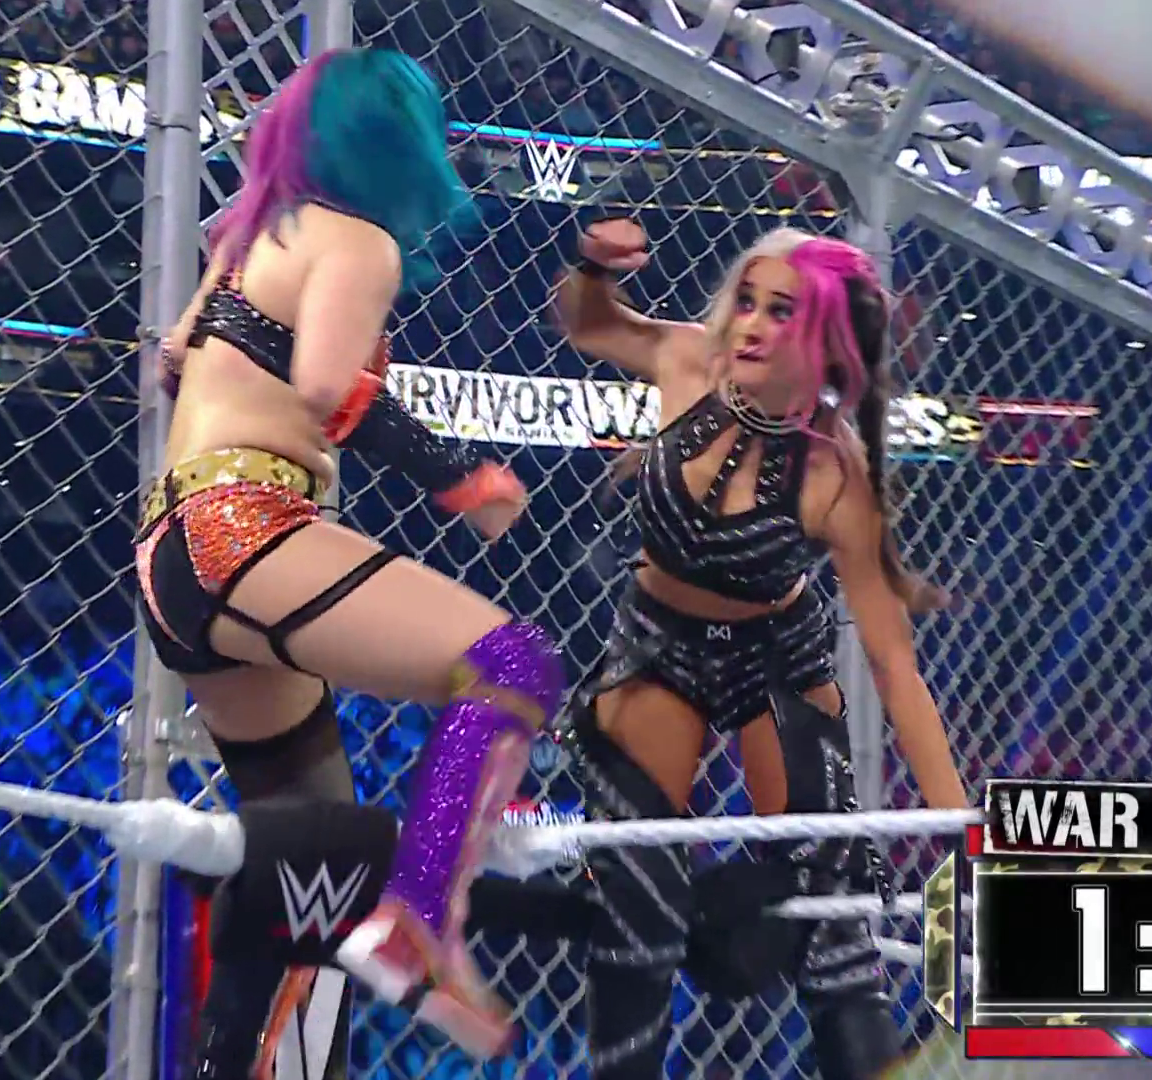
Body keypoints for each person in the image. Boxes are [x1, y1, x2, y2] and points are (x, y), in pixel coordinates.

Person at [139, 47, 565, 1075]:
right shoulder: (359, 242)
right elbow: (329, 387)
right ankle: (420, 916)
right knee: (513, 664)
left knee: (315, 860)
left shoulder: (252, 235)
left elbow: (172, 360)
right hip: (246, 526)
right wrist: (459, 476)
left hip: (172, 547)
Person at [549, 219, 969, 1079]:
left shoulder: (834, 474)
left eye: (780, 312)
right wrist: (592, 264)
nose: (749, 325)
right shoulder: (686, 360)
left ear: (823, 345)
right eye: (746, 301)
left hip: (776, 656)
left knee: (831, 915)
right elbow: (589, 324)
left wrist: (963, 833)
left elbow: (893, 665)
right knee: (639, 906)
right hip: (658, 641)